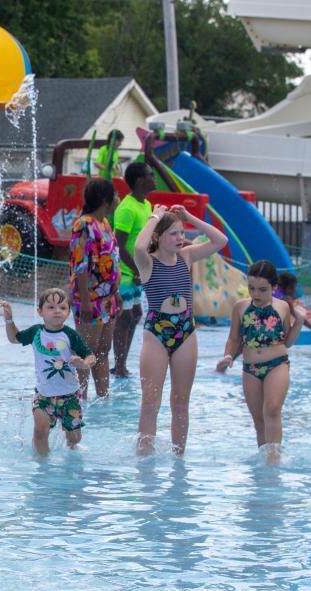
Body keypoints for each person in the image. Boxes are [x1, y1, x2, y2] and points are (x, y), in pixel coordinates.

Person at [133, 205, 228, 456]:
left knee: (181, 401)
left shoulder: (186, 256)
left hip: (186, 331)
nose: (180, 238)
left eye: (182, 233)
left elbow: (221, 240)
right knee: (150, 402)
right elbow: (139, 247)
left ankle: (178, 457)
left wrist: (188, 217)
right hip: (156, 333)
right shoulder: (147, 263)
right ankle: (144, 458)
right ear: (158, 236)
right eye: (173, 234)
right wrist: (154, 217)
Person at [217, 261, 305, 464]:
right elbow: (233, 338)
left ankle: (274, 460)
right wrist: (228, 356)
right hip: (250, 369)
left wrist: (299, 322)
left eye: (262, 289)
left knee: (272, 409)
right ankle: (264, 460)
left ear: (274, 287)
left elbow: (288, 342)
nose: (256, 294)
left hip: (277, 363)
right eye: (252, 288)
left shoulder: (282, 307)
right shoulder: (241, 307)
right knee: (259, 420)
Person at [0, 289, 95, 454]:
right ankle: (43, 466)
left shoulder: (70, 335)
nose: (57, 311)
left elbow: (91, 356)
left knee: (74, 439)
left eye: (62, 307)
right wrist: (9, 320)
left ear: (68, 312)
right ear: (40, 312)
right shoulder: (36, 332)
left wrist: (83, 363)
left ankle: (71, 448)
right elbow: (14, 338)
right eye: (51, 307)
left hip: (70, 395)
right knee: (40, 431)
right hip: (43, 395)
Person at [69, 178, 121, 398]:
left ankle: (103, 398)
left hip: (107, 298)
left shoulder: (105, 223)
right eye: (115, 195)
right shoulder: (84, 225)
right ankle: (78, 399)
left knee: (103, 350)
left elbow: (110, 258)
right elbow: (80, 266)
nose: (118, 198)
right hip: (89, 299)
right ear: (105, 200)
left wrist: (115, 292)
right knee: (86, 351)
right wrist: (86, 301)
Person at [111, 162, 154, 378]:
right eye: (150, 174)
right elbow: (118, 244)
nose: (154, 177)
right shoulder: (127, 208)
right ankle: (119, 366)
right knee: (124, 318)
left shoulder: (145, 205)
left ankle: (121, 362)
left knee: (135, 314)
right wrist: (136, 270)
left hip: (136, 272)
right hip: (125, 274)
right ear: (139, 180)